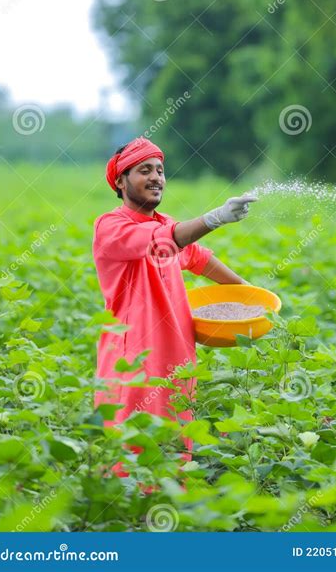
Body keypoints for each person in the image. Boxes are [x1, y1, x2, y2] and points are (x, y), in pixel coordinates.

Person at [92, 136, 257, 478]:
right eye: (144, 170)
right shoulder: (111, 227)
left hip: (177, 362)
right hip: (133, 362)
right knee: (131, 452)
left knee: (174, 451)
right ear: (121, 182)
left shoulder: (164, 224)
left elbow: (199, 258)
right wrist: (214, 218)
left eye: (160, 170)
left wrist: (251, 296)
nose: (156, 177)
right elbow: (162, 242)